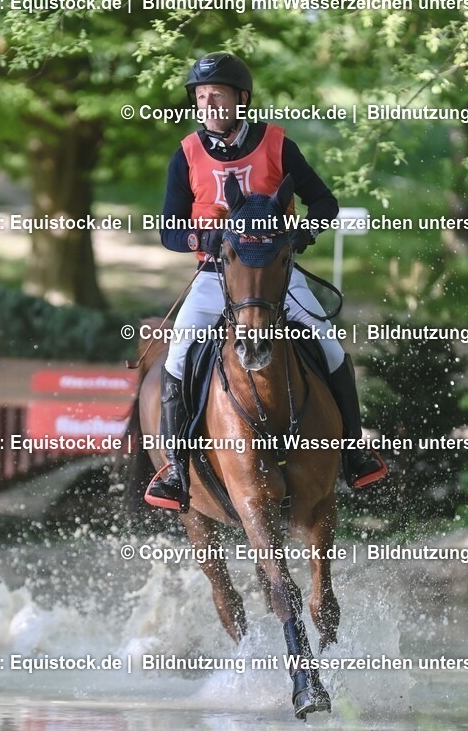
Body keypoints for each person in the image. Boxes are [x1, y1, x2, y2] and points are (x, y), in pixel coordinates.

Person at [147, 51, 387, 512]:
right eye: (201, 97)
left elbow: (324, 202)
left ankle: (353, 450)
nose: (208, 104)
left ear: (241, 98)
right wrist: (204, 236)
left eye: (216, 95)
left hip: (277, 275)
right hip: (215, 275)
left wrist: (305, 232)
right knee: (177, 354)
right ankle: (177, 468)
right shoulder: (186, 153)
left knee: (329, 343)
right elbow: (169, 231)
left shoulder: (277, 144)